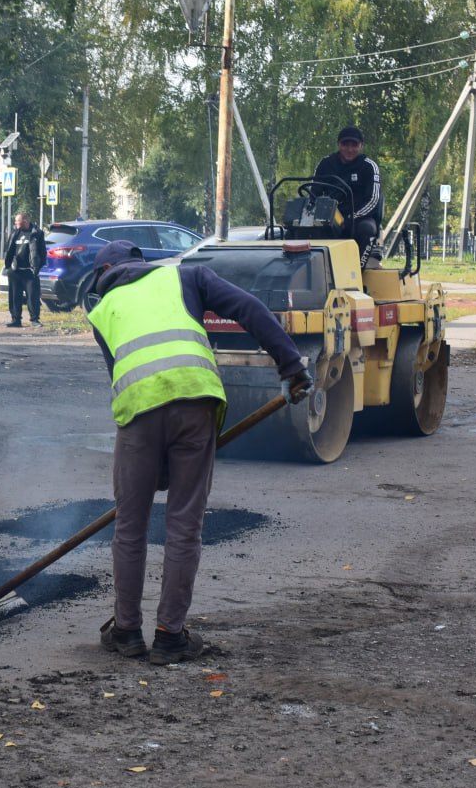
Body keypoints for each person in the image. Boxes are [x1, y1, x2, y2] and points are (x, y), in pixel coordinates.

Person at [85, 240, 314, 665]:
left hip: (138, 414)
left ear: (104, 276)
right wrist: (291, 366)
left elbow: (122, 375)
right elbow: (249, 308)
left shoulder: (102, 311)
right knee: (183, 525)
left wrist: (154, 465)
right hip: (196, 403)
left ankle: (127, 631)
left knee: (130, 526)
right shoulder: (186, 276)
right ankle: (170, 636)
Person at [312, 125, 383, 265]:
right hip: (330, 216)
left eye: (354, 145)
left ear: (361, 146)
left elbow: (373, 200)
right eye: (345, 144)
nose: (350, 149)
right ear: (339, 144)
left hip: (359, 217)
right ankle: (316, 271)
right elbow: (313, 192)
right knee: (302, 229)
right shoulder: (326, 164)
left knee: (366, 229)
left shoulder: (368, 167)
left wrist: (351, 217)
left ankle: (356, 271)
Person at [3, 212, 46, 328]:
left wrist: (37, 268)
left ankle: (35, 320)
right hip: (15, 271)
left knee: (33, 297)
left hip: (30, 272)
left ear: (25, 221)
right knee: (14, 297)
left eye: (18, 221)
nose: (16, 223)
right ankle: (16, 319)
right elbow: (9, 251)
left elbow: (42, 253)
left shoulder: (37, 234)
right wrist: (8, 267)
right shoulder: (14, 234)